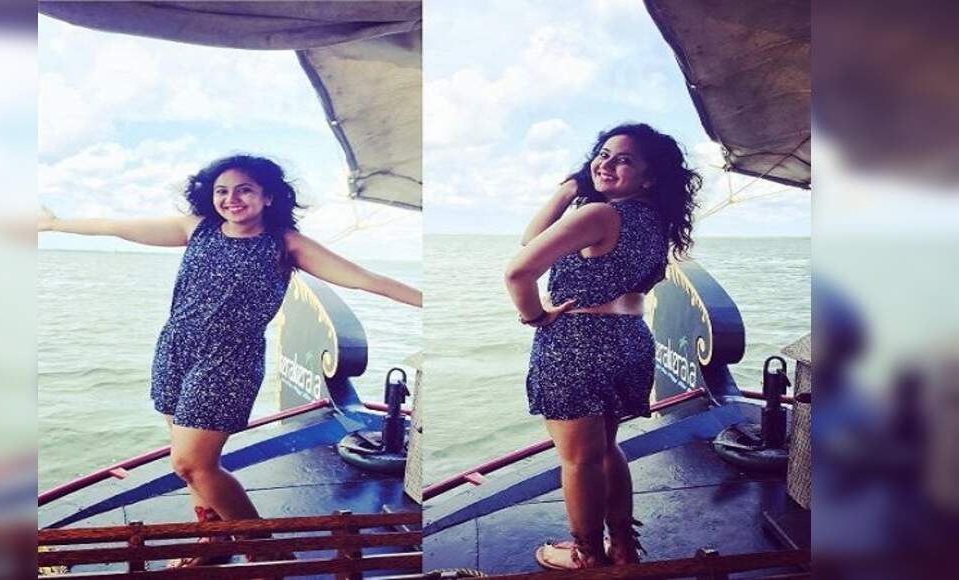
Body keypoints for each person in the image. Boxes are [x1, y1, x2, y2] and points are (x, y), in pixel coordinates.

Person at [40, 154, 422, 567]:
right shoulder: (196, 228)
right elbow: (114, 226)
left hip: (229, 362)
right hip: (175, 351)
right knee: (194, 465)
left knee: (191, 463)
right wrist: (54, 224)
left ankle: (269, 552)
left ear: (268, 196)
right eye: (222, 191)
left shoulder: (285, 244)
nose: (231, 198)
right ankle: (214, 540)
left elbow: (366, 279)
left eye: (244, 190)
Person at [504, 123, 700, 570]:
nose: (606, 164)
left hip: (577, 346)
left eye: (623, 159)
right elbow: (534, 240)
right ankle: (624, 546)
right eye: (603, 154)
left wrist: (534, 316)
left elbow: (519, 269)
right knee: (606, 448)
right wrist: (572, 186)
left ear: (649, 176)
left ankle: (587, 555)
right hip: (629, 341)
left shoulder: (598, 215)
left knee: (578, 461)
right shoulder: (653, 221)